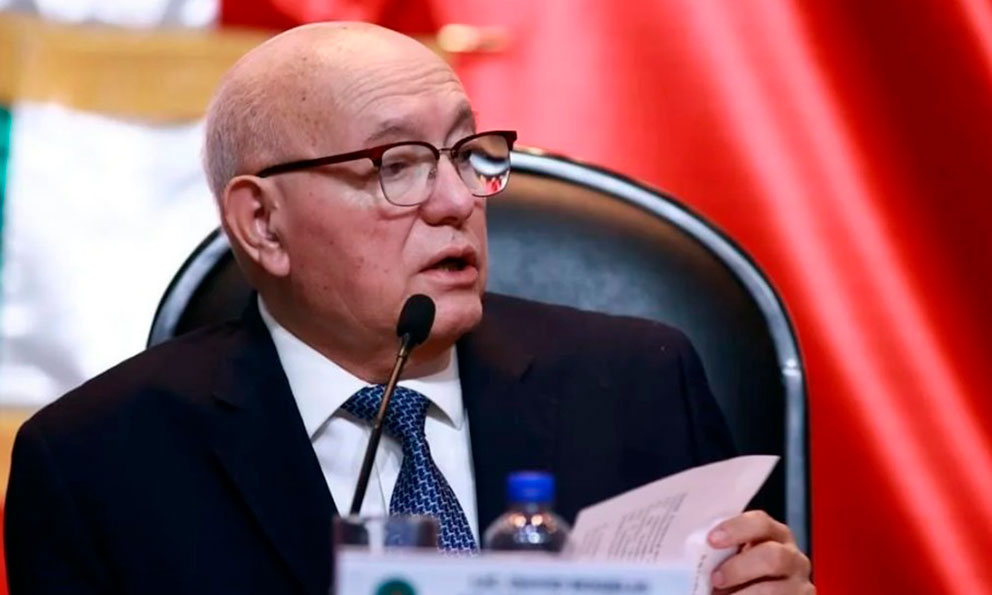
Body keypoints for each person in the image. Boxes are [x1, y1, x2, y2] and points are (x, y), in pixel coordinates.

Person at [4, 22, 813, 595]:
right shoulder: (95, 465)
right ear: (263, 223)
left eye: (467, 154)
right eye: (397, 164)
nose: (458, 199)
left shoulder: (640, 384)